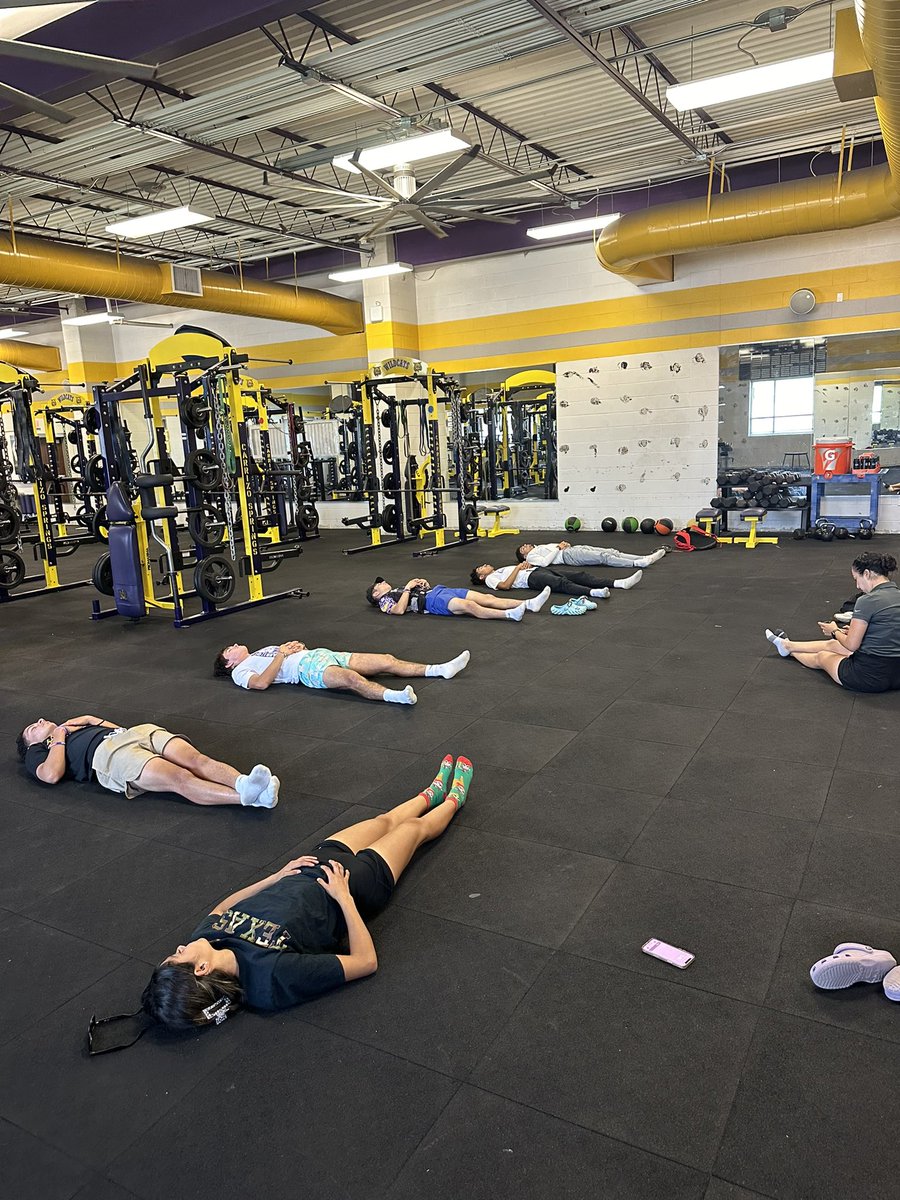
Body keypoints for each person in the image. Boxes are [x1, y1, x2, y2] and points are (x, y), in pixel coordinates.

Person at [141, 755, 474, 1028]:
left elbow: (223, 906)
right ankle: (454, 799)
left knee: (384, 821)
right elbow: (365, 961)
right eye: (178, 956)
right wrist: (344, 898)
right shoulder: (270, 979)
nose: (180, 947)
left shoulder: (207, 938)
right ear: (201, 969)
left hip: (311, 865)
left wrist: (275, 877)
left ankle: (430, 793)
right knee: (414, 830)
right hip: (354, 886)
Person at [16, 715, 279, 807]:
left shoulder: (70, 726)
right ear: (31, 743)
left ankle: (244, 783)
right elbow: (51, 775)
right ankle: (246, 798)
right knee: (179, 778)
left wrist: (89, 720)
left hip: (131, 734)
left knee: (196, 759)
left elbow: (109, 726)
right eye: (32, 728)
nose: (39, 721)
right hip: (109, 757)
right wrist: (59, 736)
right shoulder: (37, 751)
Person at [765, 551, 900, 692]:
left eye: (856, 579)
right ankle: (787, 645)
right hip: (897, 676)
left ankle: (790, 652)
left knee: (822, 656)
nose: (857, 586)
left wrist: (834, 631)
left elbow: (852, 645)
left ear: (866, 574)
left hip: (868, 678)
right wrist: (852, 631)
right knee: (833, 645)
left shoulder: (867, 600)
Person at [214, 640, 471, 707]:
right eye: (229, 649)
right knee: (351, 680)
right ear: (228, 664)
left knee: (386, 660)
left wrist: (296, 647)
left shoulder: (259, 652)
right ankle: (395, 696)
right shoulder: (240, 672)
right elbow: (261, 684)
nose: (234, 645)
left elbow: (284, 653)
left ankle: (440, 669)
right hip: (307, 671)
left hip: (319, 654)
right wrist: (282, 654)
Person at [366, 576, 545, 621]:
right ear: (375, 593)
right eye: (379, 584)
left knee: (487, 597)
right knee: (470, 606)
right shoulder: (384, 601)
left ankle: (529, 603)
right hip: (432, 602)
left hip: (438, 591)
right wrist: (408, 587)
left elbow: (411, 596)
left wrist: (422, 585)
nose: (383, 582)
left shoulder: (395, 590)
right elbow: (398, 610)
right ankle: (510, 614)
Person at [471, 560, 642, 597]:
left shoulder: (499, 569)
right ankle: (594, 592)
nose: (484, 565)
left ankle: (619, 583)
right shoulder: (490, 579)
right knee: (562, 584)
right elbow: (505, 586)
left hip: (536, 571)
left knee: (579, 575)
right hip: (532, 580)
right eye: (481, 567)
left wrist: (526, 565)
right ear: (482, 576)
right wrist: (517, 568)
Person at [516, 539, 666, 570]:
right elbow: (544, 563)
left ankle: (642, 558)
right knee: (603, 558)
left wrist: (563, 545)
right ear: (524, 556)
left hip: (571, 550)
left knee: (611, 552)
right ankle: (636, 563)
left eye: (524, 545)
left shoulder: (538, 547)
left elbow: (554, 548)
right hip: (568, 557)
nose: (525, 546)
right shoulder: (531, 557)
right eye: (522, 549)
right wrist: (557, 547)